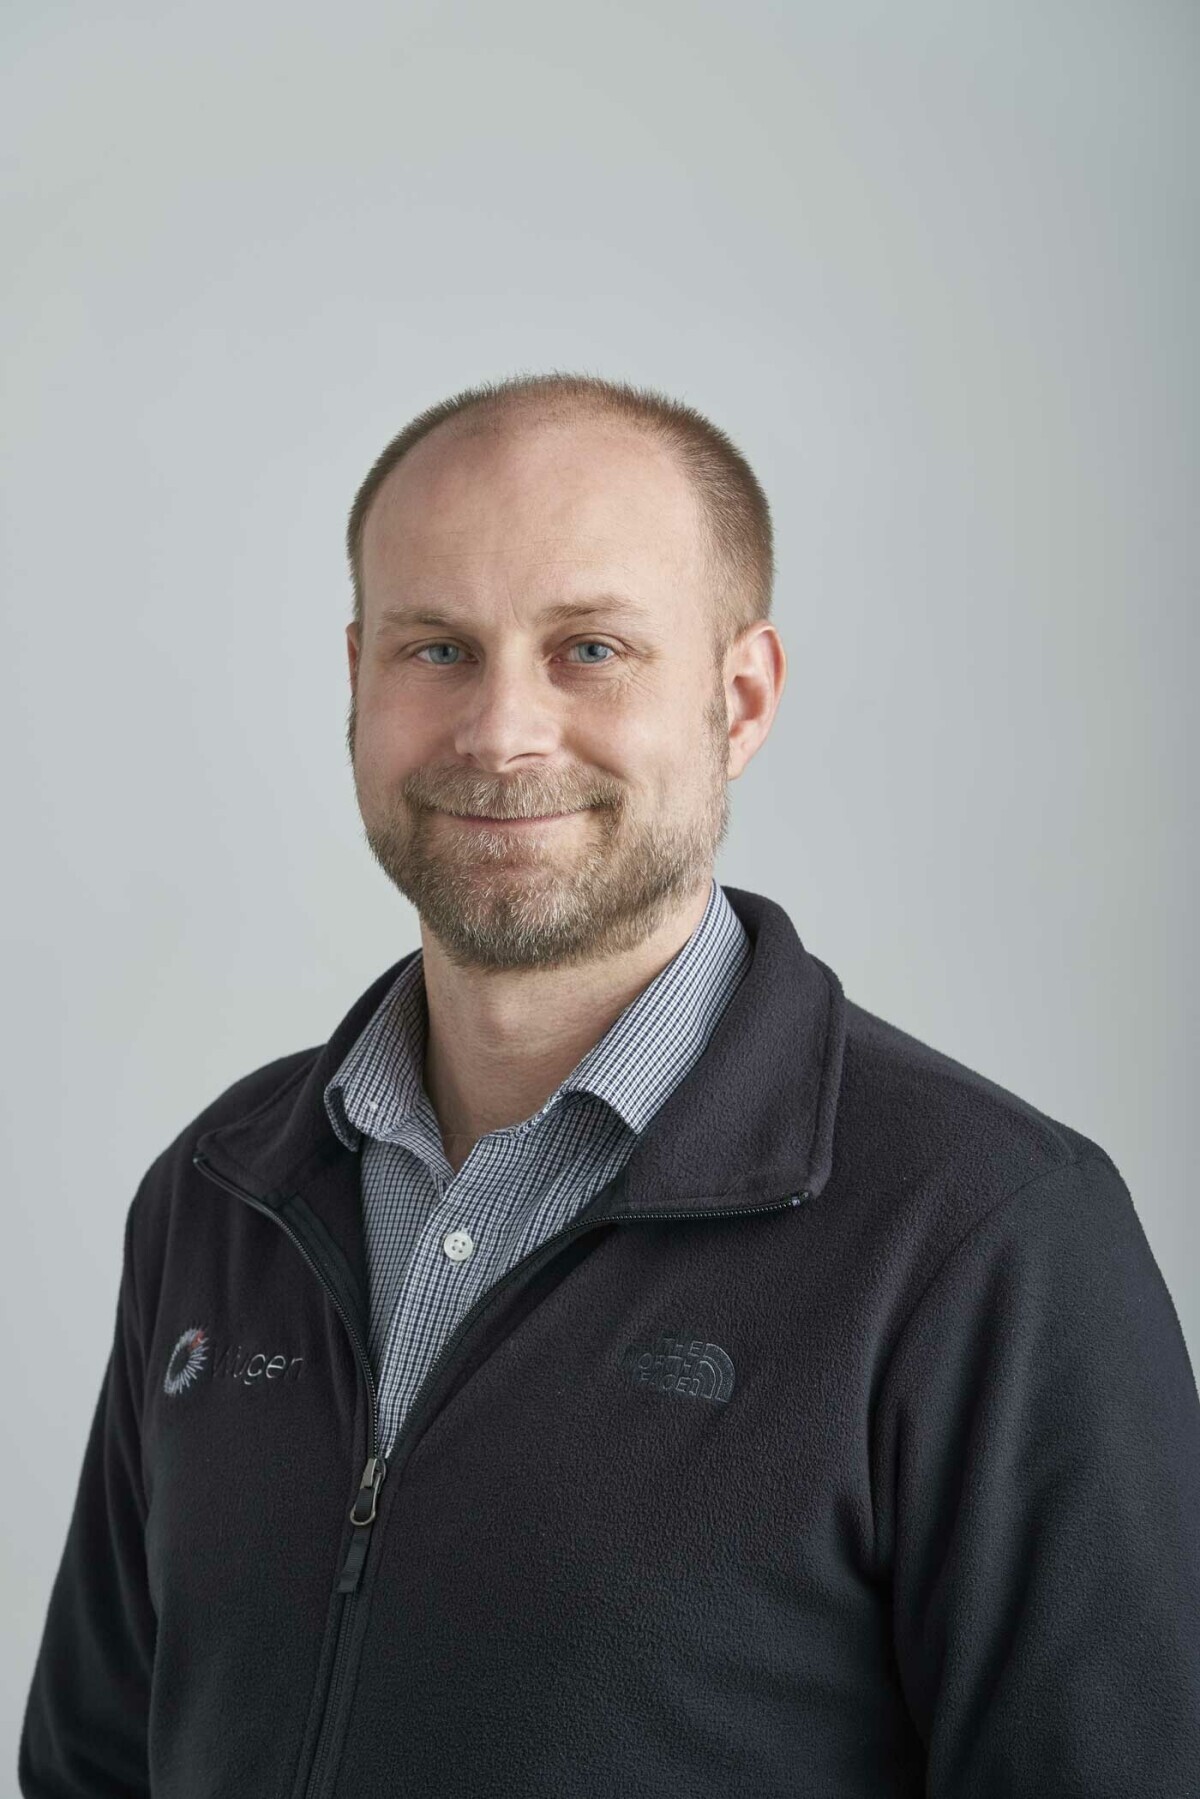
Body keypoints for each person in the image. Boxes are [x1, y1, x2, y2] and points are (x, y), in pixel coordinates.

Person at [19, 373, 1200, 1798]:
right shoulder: (221, 1190)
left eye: (589, 648)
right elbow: (90, 1768)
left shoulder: (987, 1232)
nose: (501, 731)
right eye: (437, 648)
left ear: (740, 699)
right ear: (356, 679)